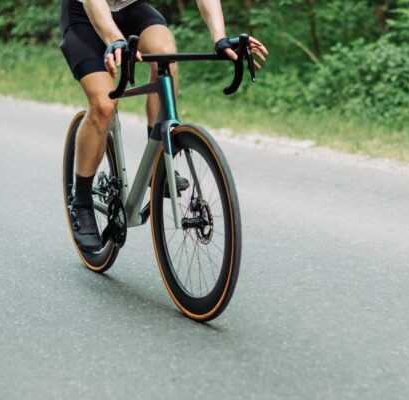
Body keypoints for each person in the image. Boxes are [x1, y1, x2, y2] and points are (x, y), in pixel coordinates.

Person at [59, 0, 268, 251]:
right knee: (104, 105)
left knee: (166, 56)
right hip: (85, 15)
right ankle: (81, 201)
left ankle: (159, 158)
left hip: (131, 8)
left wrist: (219, 38)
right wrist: (114, 39)